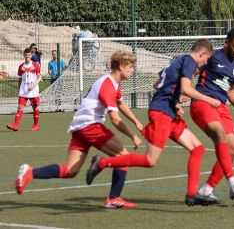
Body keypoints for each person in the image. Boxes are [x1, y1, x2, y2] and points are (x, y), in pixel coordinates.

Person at [86, 39, 222, 206]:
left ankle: (191, 194)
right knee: (150, 160)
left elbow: (157, 84)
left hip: (168, 112)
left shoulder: (177, 61)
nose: (204, 63)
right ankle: (102, 163)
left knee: (197, 149)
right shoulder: (190, 61)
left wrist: (174, 102)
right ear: (202, 54)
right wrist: (209, 100)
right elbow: (186, 88)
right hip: (162, 113)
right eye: (206, 59)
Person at [14, 51, 143, 209]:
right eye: (131, 67)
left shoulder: (113, 83)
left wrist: (137, 122)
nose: (132, 70)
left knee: (70, 170)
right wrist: (133, 136)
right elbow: (115, 120)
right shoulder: (108, 84)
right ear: (121, 67)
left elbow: (120, 103)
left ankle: (30, 172)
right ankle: (113, 197)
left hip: (80, 126)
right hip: (90, 125)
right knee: (124, 156)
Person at [190, 28, 234, 203]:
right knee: (220, 135)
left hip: (221, 107)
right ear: (226, 43)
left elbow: (230, 88)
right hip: (203, 102)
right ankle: (232, 182)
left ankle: (206, 190)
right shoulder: (212, 56)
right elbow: (192, 72)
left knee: (232, 149)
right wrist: (182, 91)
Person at [6, 48, 42, 132]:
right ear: (24, 55)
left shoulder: (35, 65)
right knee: (20, 107)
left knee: (35, 108)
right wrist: (20, 88)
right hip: (23, 90)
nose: (27, 56)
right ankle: (15, 125)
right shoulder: (21, 66)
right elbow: (19, 79)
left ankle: (36, 125)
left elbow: (40, 77)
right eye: (26, 55)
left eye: (29, 55)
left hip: (33, 90)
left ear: (31, 55)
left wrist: (33, 85)